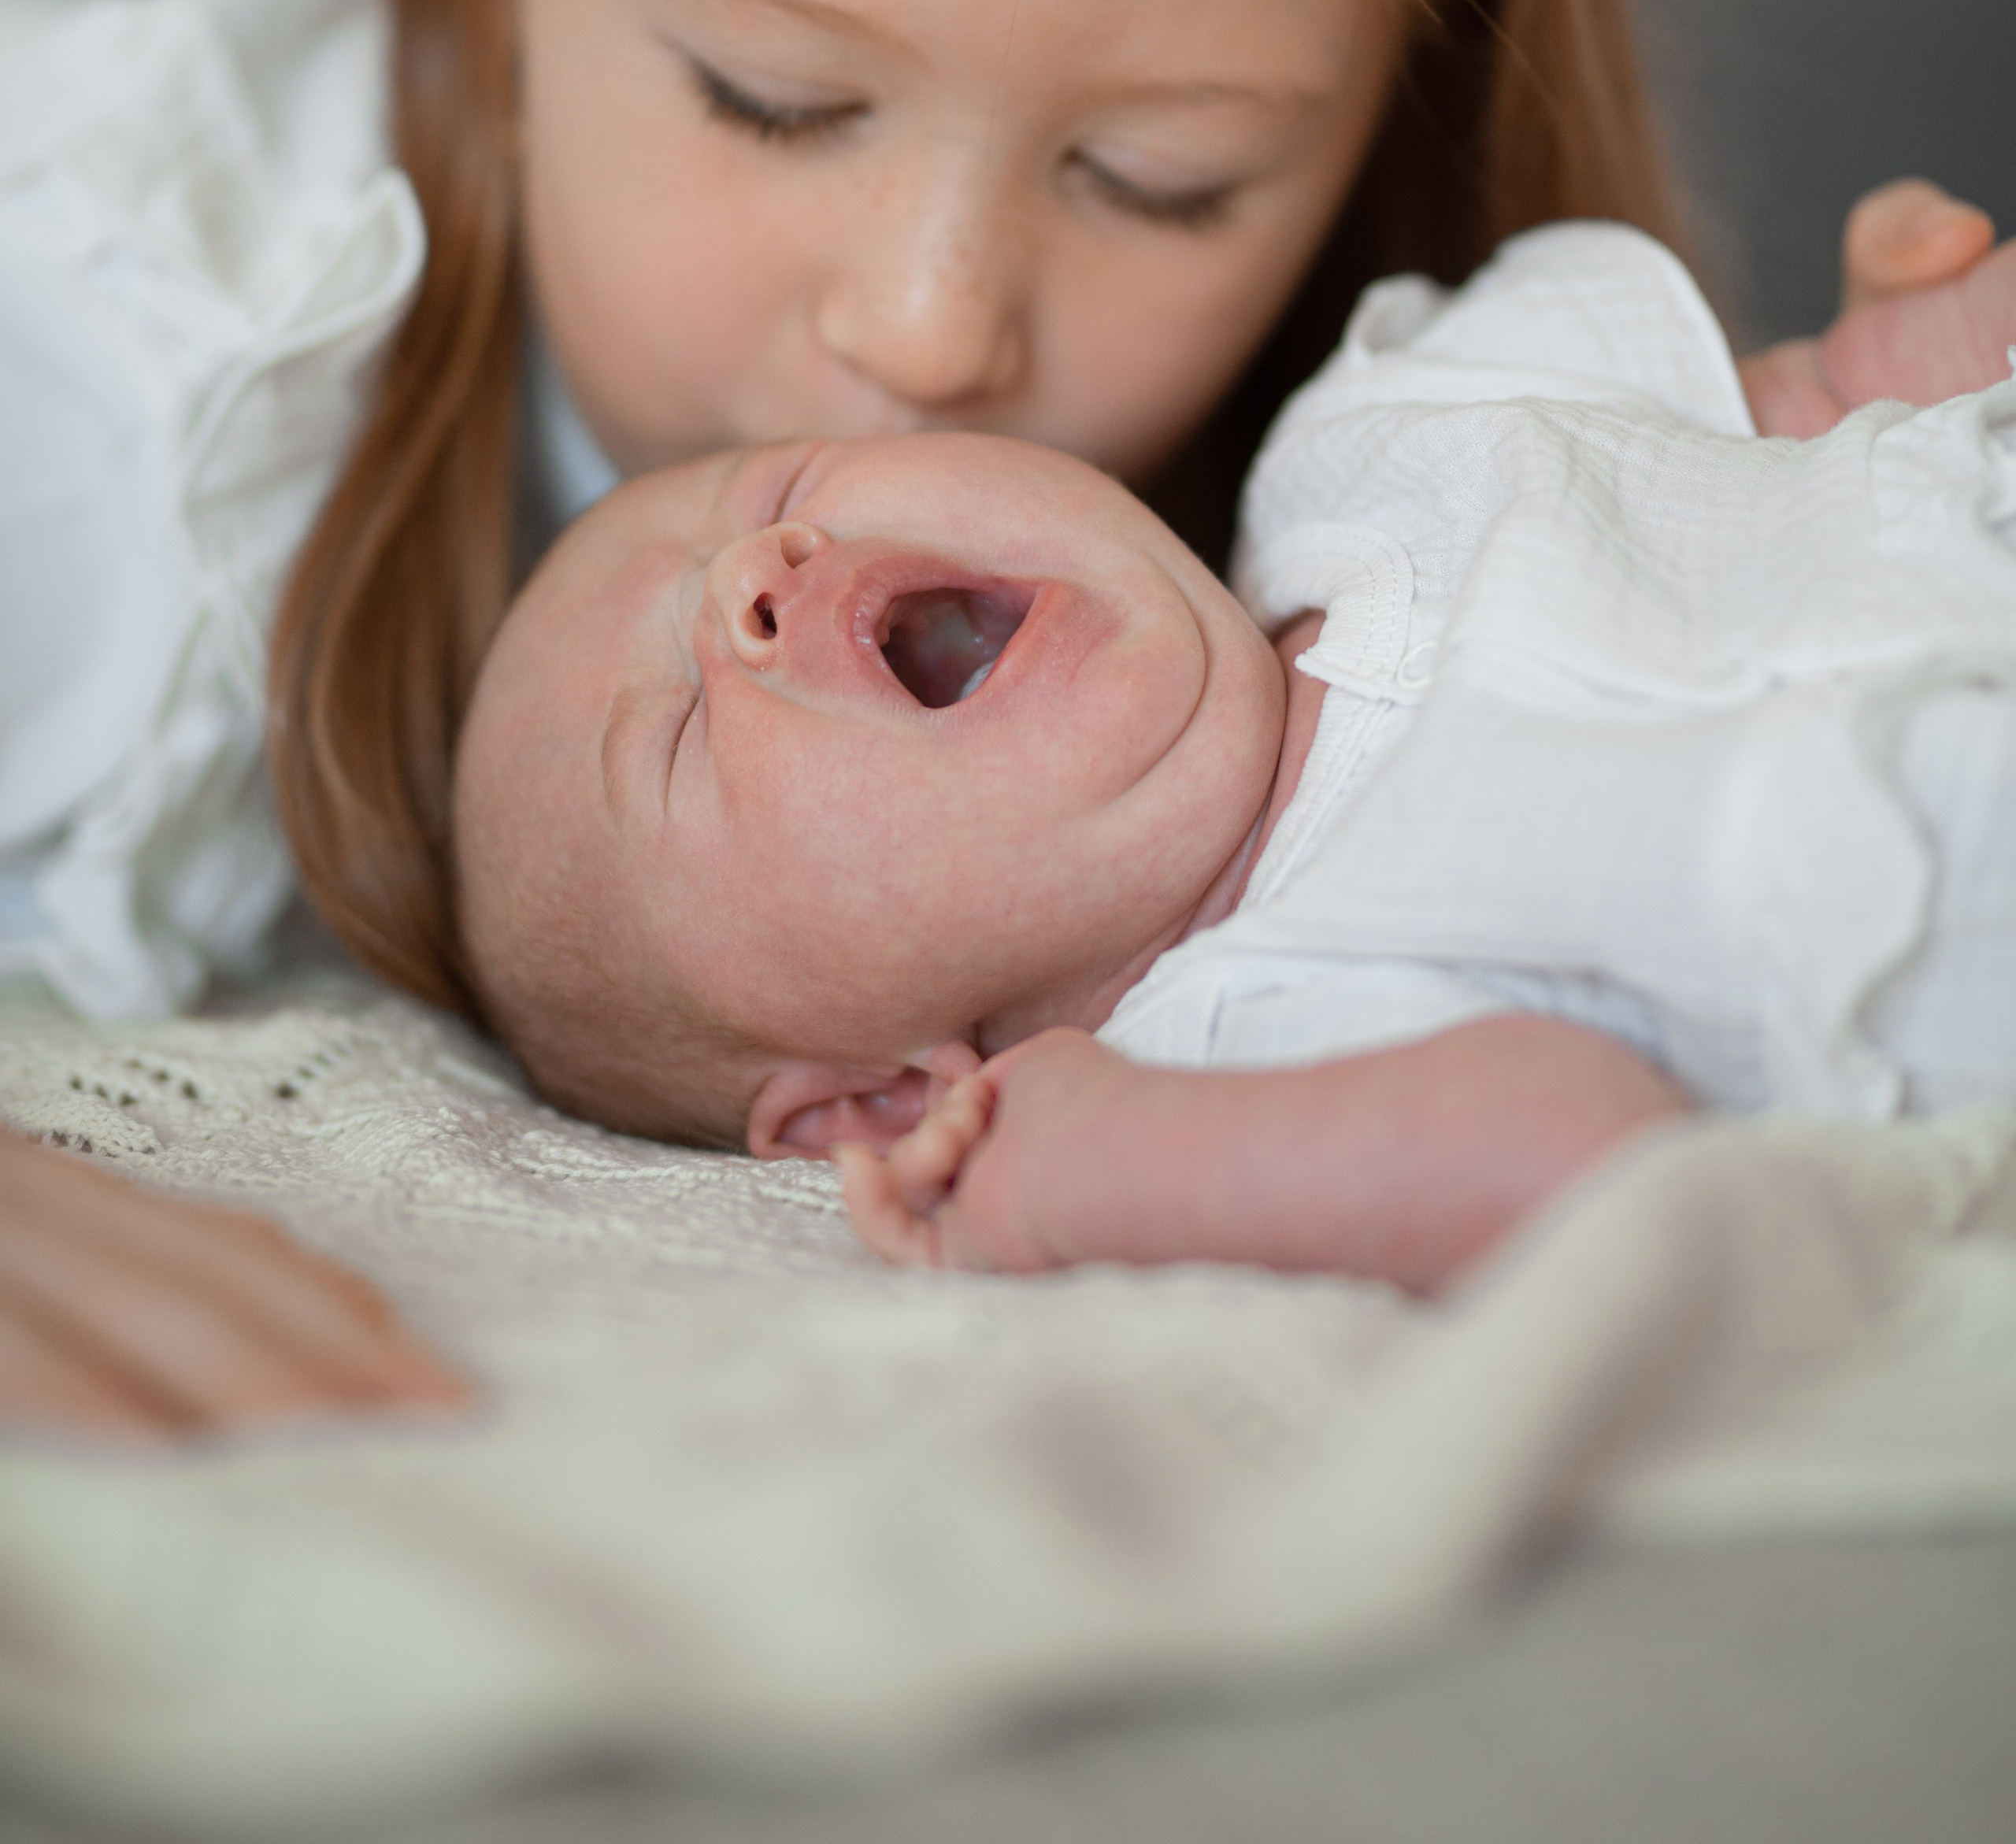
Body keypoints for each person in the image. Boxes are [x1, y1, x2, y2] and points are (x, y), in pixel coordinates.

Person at [0, 0, 1999, 1435]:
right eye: (774, 94)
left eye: (1157, 177)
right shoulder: (131, 365)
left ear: (1387, 127)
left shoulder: (1393, 501)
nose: (932, 323)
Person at [450, 220, 2016, 1294]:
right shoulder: (1227, 1046)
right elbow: (1586, 1156)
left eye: (773, 483)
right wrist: (1094, 1172)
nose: (754, 572)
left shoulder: (1382, 431)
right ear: (868, 1105)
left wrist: (1933, 320)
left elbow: (1816, 396)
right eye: (672, 736)